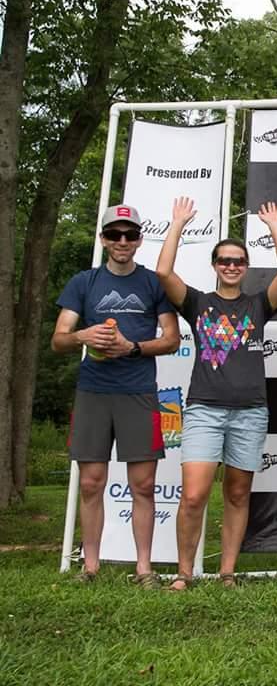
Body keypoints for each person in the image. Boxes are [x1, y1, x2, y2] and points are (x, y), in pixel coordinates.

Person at [155, 197, 277, 589]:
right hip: (204, 409)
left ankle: (227, 572)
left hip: (250, 412)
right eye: (225, 261)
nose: (232, 266)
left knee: (237, 493)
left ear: (246, 268)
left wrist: (273, 228)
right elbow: (163, 271)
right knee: (195, 494)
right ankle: (185, 573)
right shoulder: (199, 303)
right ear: (215, 266)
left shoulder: (258, 304)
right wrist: (178, 225)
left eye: (238, 261)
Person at [52, 204, 181, 587]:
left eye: (129, 234)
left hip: (138, 392)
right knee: (91, 482)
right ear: (104, 239)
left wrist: (133, 348)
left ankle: (144, 568)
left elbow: (172, 340)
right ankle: (89, 566)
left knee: (142, 484)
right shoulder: (83, 282)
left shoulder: (153, 284)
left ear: (140, 239)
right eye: (114, 234)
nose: (122, 241)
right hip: (93, 391)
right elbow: (58, 339)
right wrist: (83, 336)